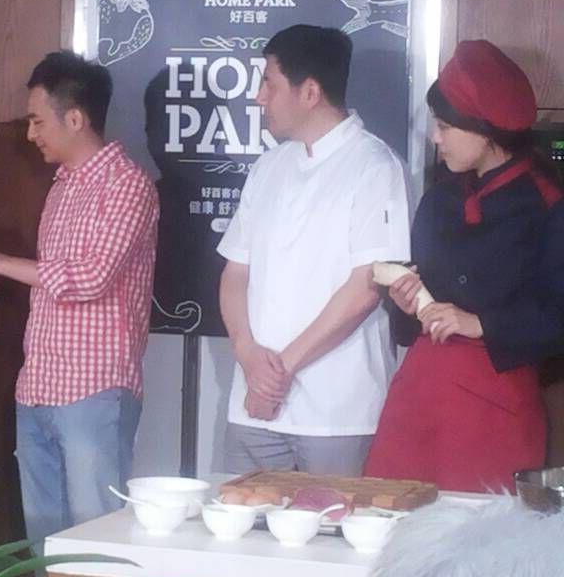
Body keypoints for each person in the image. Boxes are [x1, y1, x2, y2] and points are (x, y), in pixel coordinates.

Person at [0, 50, 159, 548]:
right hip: (38, 386)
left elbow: (90, 278)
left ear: (75, 119)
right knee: (45, 542)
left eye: (38, 121)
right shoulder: (62, 187)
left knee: (95, 540)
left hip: (94, 388)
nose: (31, 134)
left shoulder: (127, 184)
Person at [364, 40, 564, 492]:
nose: (436, 139)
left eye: (444, 127)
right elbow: (413, 322)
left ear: (484, 129)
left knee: (478, 529)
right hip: (419, 392)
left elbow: (558, 315)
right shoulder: (439, 199)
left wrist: (479, 323)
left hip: (494, 406)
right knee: (389, 516)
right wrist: (406, 302)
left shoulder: (547, 205)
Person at [217, 24, 410, 476]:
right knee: (240, 519)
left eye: (269, 83)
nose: (259, 97)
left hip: (336, 411)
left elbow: (367, 287)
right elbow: (235, 272)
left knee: (332, 521)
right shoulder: (268, 167)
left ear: (310, 92)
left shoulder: (375, 166)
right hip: (253, 406)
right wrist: (247, 353)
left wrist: (277, 373)